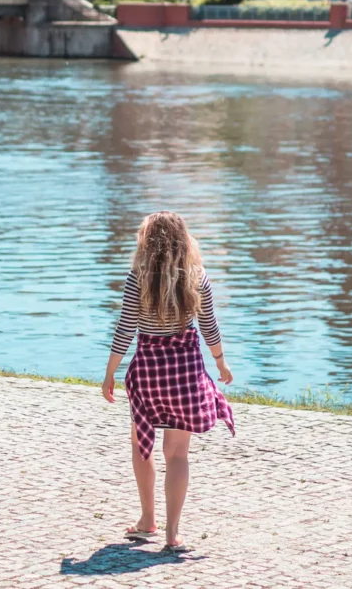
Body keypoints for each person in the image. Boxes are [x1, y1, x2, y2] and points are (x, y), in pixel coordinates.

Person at [103, 211, 235, 552]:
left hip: (148, 372)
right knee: (177, 454)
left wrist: (110, 373)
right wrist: (221, 362)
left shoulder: (138, 277)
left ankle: (148, 518)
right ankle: (172, 534)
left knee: (140, 442)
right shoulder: (197, 276)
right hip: (185, 373)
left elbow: (125, 329)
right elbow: (209, 327)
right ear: (183, 240)